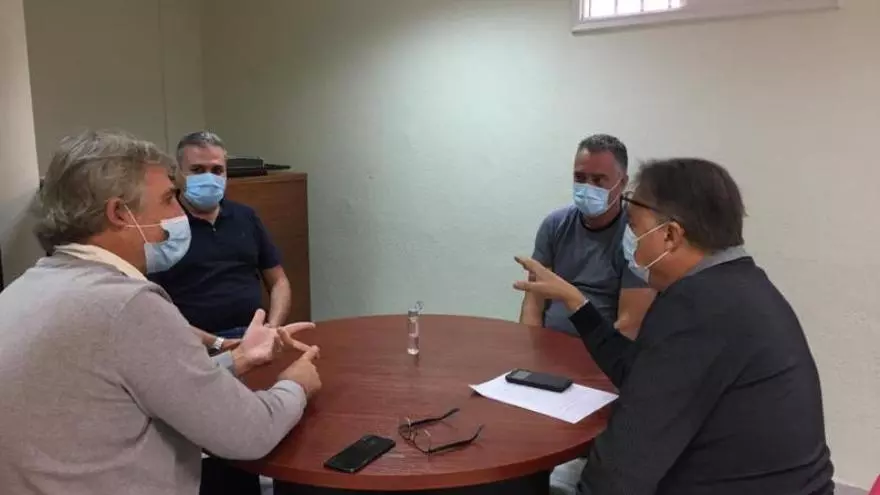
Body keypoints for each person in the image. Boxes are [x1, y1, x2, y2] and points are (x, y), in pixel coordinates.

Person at [0, 130, 322, 495]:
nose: (179, 212)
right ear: (119, 213)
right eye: (169, 199)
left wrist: (239, 359)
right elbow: (249, 433)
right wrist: (296, 384)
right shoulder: (128, 304)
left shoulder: (26, 286)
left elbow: (147, 383)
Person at [514, 158, 833, 495]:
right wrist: (577, 303)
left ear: (669, 235)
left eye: (633, 227)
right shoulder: (737, 286)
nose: (629, 240)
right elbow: (638, 372)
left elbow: (621, 470)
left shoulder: (698, 308)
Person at [149, 131, 292, 353]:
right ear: (177, 174)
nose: (208, 178)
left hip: (254, 337)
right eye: (197, 170)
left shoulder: (245, 216)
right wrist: (217, 343)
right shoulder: (161, 225)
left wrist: (272, 329)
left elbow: (279, 281)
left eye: (217, 170)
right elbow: (153, 307)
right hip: (192, 346)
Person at [520, 134, 654, 338]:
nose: (587, 187)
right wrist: (529, 348)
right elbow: (533, 304)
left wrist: (600, 356)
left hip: (601, 350)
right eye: (580, 178)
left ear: (622, 183)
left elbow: (629, 323)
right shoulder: (554, 225)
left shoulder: (635, 235)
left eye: (598, 180)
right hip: (547, 343)